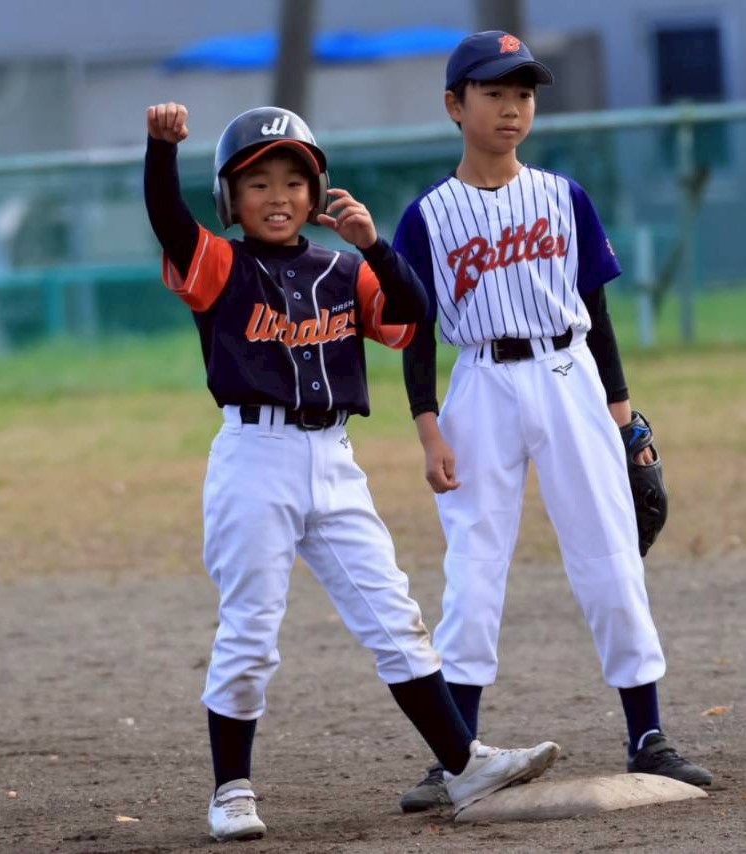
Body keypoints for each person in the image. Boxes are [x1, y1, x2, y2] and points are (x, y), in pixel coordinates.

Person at [143, 101, 560, 842]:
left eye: (293, 183)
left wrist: (375, 247)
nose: (278, 197)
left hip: (335, 460)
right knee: (251, 630)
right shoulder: (219, 265)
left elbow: (412, 315)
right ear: (230, 199)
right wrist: (160, 150)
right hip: (255, 459)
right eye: (258, 184)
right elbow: (170, 223)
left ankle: (462, 763)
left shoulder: (343, 269)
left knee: (395, 618)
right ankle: (231, 790)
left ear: (316, 193)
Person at [391, 31, 714, 813]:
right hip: (478, 382)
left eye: (524, 93)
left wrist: (625, 421)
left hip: (568, 374)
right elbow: (413, 330)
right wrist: (427, 426)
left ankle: (647, 734)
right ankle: (457, 753)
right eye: (494, 92)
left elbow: (596, 313)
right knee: (474, 563)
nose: (512, 108)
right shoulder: (427, 216)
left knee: (608, 549)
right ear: (454, 105)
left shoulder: (564, 197)